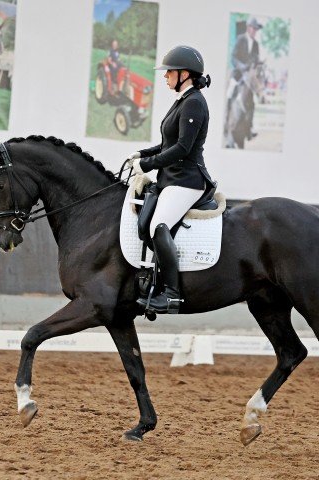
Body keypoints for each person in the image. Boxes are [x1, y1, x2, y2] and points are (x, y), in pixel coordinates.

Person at [127, 45, 214, 314]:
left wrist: (148, 165)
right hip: (172, 178)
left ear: (184, 74)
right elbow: (168, 143)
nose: (165, 78)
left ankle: (172, 295)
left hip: (187, 180)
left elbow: (182, 149)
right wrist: (143, 153)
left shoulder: (195, 103)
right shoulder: (183, 100)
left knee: (158, 225)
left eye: (169, 73)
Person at [226, 16, 262, 140]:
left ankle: (249, 129)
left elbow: (256, 59)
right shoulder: (240, 39)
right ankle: (225, 121)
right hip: (238, 74)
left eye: (256, 29)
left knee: (251, 103)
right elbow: (233, 57)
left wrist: (257, 63)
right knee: (229, 94)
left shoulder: (256, 44)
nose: (255, 31)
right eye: (253, 28)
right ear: (248, 28)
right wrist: (242, 66)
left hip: (249, 77)